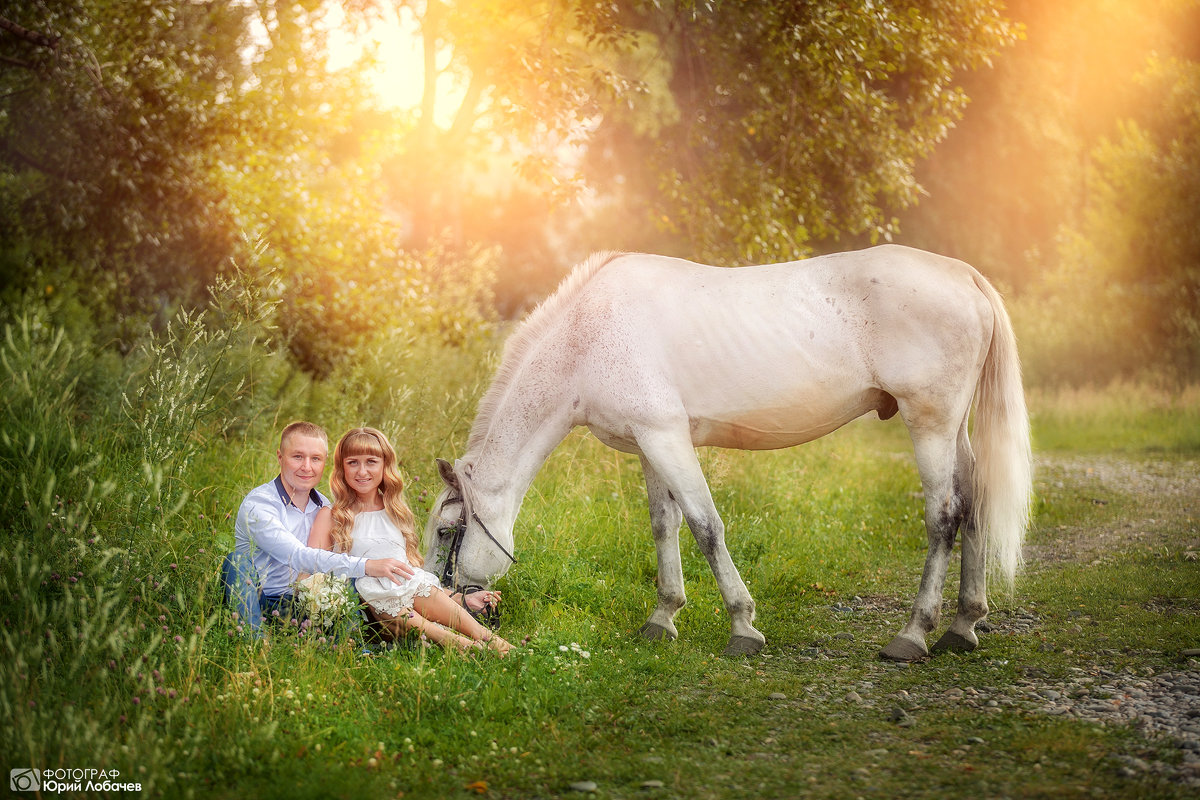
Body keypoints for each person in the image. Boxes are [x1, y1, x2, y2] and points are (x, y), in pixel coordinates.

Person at [308, 427, 513, 656]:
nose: (362, 471)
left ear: (384, 465)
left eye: (371, 462)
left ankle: (491, 641)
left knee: (419, 587)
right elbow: (309, 569)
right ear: (342, 468)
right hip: (370, 608)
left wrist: (460, 597)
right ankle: (461, 646)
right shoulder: (332, 515)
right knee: (381, 592)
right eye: (353, 462)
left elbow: (412, 575)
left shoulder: (395, 511)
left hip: (408, 593)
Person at [224, 421, 416, 629]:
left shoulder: (326, 508)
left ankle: (352, 641)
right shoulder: (260, 504)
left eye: (315, 459)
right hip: (261, 600)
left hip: (305, 605)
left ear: (325, 462)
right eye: (297, 457)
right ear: (281, 457)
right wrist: (367, 565)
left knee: (347, 571)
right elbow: (296, 556)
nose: (307, 467)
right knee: (237, 561)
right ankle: (252, 640)